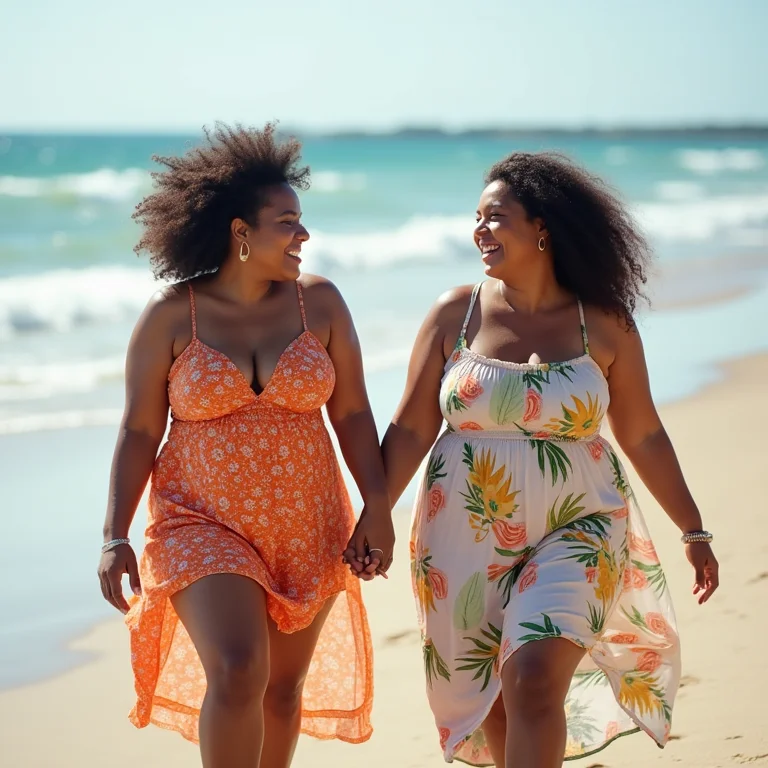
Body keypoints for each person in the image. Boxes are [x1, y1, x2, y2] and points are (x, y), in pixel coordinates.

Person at [376, 152, 718, 767]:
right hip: (461, 534)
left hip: (582, 525)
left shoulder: (604, 323)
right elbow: (409, 428)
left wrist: (692, 528)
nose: (479, 231)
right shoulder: (456, 313)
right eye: (476, 219)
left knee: (533, 678)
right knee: (495, 701)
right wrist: (373, 512)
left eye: (495, 217)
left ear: (542, 227)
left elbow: (643, 434)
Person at [97, 123, 394, 768]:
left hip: (307, 519)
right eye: (287, 222)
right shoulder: (172, 314)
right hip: (199, 520)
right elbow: (139, 430)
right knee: (238, 669)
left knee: (282, 692)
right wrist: (115, 534)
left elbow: (352, 413)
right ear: (240, 232)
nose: (303, 234)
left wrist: (378, 506)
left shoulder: (321, 304)